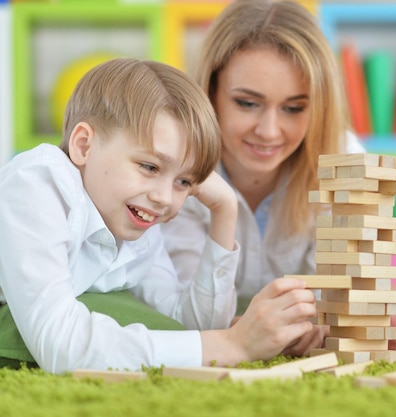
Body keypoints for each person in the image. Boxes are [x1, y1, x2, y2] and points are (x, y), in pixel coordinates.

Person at [0, 57, 318, 374]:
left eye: (184, 182)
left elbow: (189, 325)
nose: (165, 198)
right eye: (149, 167)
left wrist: (225, 210)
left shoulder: (138, 222)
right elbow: (59, 343)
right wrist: (233, 345)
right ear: (84, 145)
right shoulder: (38, 184)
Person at [161, 0, 364, 339]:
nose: (269, 131)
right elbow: (184, 312)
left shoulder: (344, 162)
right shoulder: (172, 164)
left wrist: (312, 325)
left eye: (294, 108)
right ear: (210, 92)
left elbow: (342, 304)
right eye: (248, 103)